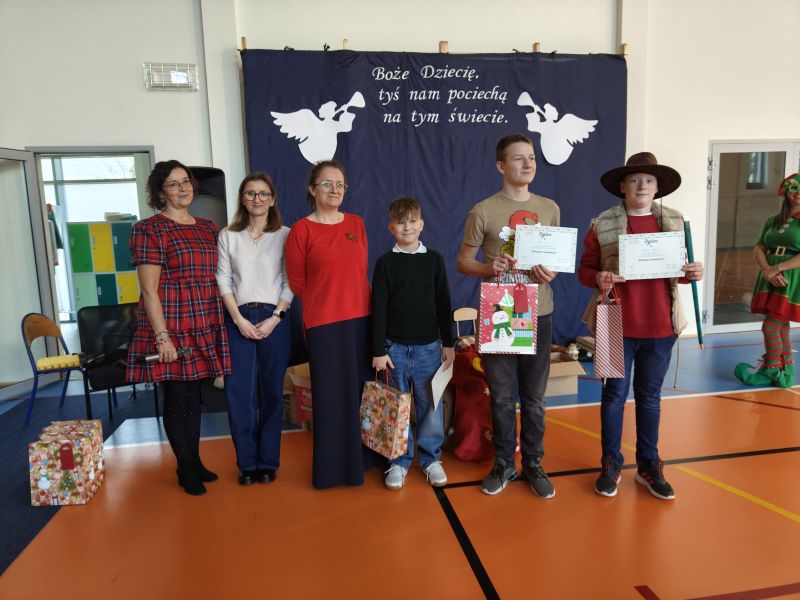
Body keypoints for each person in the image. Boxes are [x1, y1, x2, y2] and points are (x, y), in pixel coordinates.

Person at [578, 152, 704, 500]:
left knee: (649, 398)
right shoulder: (602, 224)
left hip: (661, 326)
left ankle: (649, 464)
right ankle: (610, 462)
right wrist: (598, 277)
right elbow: (585, 271)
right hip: (615, 323)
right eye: (634, 180)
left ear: (657, 187)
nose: (642, 186)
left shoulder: (676, 222)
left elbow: (678, 271)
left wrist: (691, 273)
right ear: (622, 186)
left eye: (648, 180)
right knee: (614, 396)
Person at [456, 133, 559, 499]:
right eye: (519, 158)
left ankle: (533, 462)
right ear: (501, 165)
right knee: (501, 397)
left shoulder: (549, 208)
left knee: (534, 398)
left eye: (531, 157)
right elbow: (463, 262)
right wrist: (489, 268)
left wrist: (549, 272)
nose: (528, 164)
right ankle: (503, 463)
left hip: (539, 311)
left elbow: (554, 261)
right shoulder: (482, 211)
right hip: (500, 310)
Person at [126, 160, 231, 496]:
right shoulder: (149, 229)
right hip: (172, 322)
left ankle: (194, 460)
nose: (183, 188)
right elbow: (149, 290)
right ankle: (185, 467)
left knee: (195, 396)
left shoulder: (208, 228)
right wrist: (162, 338)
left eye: (186, 181)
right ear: (160, 192)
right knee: (177, 396)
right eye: (173, 184)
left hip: (204, 320)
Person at [284, 159, 375, 489]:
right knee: (331, 397)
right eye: (327, 183)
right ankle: (334, 470)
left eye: (340, 184)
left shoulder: (356, 224)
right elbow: (297, 282)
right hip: (325, 324)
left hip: (362, 320)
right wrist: (325, 302)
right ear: (312, 189)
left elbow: (359, 271)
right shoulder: (301, 230)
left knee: (363, 392)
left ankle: (365, 461)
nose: (335, 189)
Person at [372, 197, 455, 490]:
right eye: (400, 222)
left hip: (429, 348)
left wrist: (448, 343)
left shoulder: (434, 260)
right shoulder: (385, 263)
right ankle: (398, 461)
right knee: (397, 406)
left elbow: (443, 303)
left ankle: (431, 459)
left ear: (421, 225)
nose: (406, 227)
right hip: (393, 349)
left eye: (411, 221)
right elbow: (378, 309)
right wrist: (378, 350)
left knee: (431, 405)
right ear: (391, 227)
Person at [217, 173, 293, 486]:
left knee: (272, 392)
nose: (257, 199)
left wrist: (275, 317)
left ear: (272, 199)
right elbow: (223, 280)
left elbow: (291, 280)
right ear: (242, 199)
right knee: (239, 394)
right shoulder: (228, 235)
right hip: (239, 317)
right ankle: (247, 464)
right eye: (250, 193)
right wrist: (238, 320)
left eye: (263, 194)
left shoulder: (286, 235)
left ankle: (268, 462)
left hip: (275, 317)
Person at [735, 173, 800, 389]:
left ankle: (772, 369)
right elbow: (759, 247)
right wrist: (767, 270)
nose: (798, 192)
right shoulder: (772, 219)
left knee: (771, 327)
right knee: (781, 326)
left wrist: (777, 269)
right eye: (794, 188)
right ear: (786, 191)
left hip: (793, 277)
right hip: (771, 275)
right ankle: (786, 371)